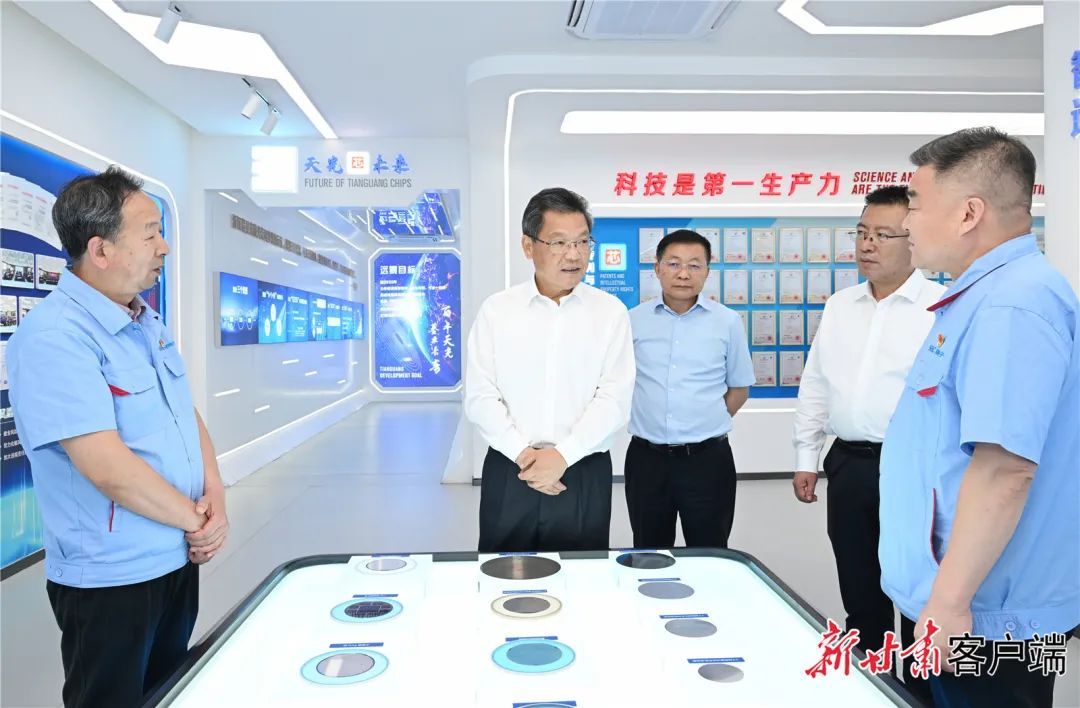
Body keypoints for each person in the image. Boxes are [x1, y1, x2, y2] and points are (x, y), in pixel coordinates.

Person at [7, 166, 229, 708]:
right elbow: (106, 467)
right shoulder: (56, 337)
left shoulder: (145, 322)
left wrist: (215, 497)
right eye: (150, 234)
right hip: (111, 578)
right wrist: (195, 520)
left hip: (174, 557)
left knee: (167, 692)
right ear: (100, 250)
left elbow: (184, 413)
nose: (164, 247)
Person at [881, 127, 1079, 708]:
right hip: (965, 602)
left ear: (969, 213)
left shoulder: (1013, 304)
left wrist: (949, 603)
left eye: (916, 204)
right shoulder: (985, 297)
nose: (907, 222)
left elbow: (1005, 470)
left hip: (983, 616)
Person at [793, 185, 944, 701]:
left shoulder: (939, 308)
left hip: (914, 468)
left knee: (918, 593)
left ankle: (920, 694)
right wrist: (806, 456)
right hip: (850, 465)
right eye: (861, 232)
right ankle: (875, 689)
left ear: (913, 239)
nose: (867, 244)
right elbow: (816, 383)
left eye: (882, 234)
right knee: (860, 587)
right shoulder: (841, 305)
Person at [465, 187, 634, 553]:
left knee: (582, 574)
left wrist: (562, 456)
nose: (573, 254)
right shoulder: (497, 311)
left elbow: (614, 399)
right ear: (528, 246)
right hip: (511, 467)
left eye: (582, 242)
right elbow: (480, 396)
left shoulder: (610, 313)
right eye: (558, 242)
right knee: (502, 572)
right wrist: (526, 456)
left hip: (582, 469)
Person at [624, 229, 753, 550]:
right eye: (674, 264)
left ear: (707, 271)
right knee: (649, 552)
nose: (683, 274)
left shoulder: (727, 322)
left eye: (695, 265)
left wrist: (704, 421)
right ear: (657, 268)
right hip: (647, 461)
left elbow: (739, 388)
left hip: (708, 461)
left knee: (710, 551)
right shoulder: (632, 321)